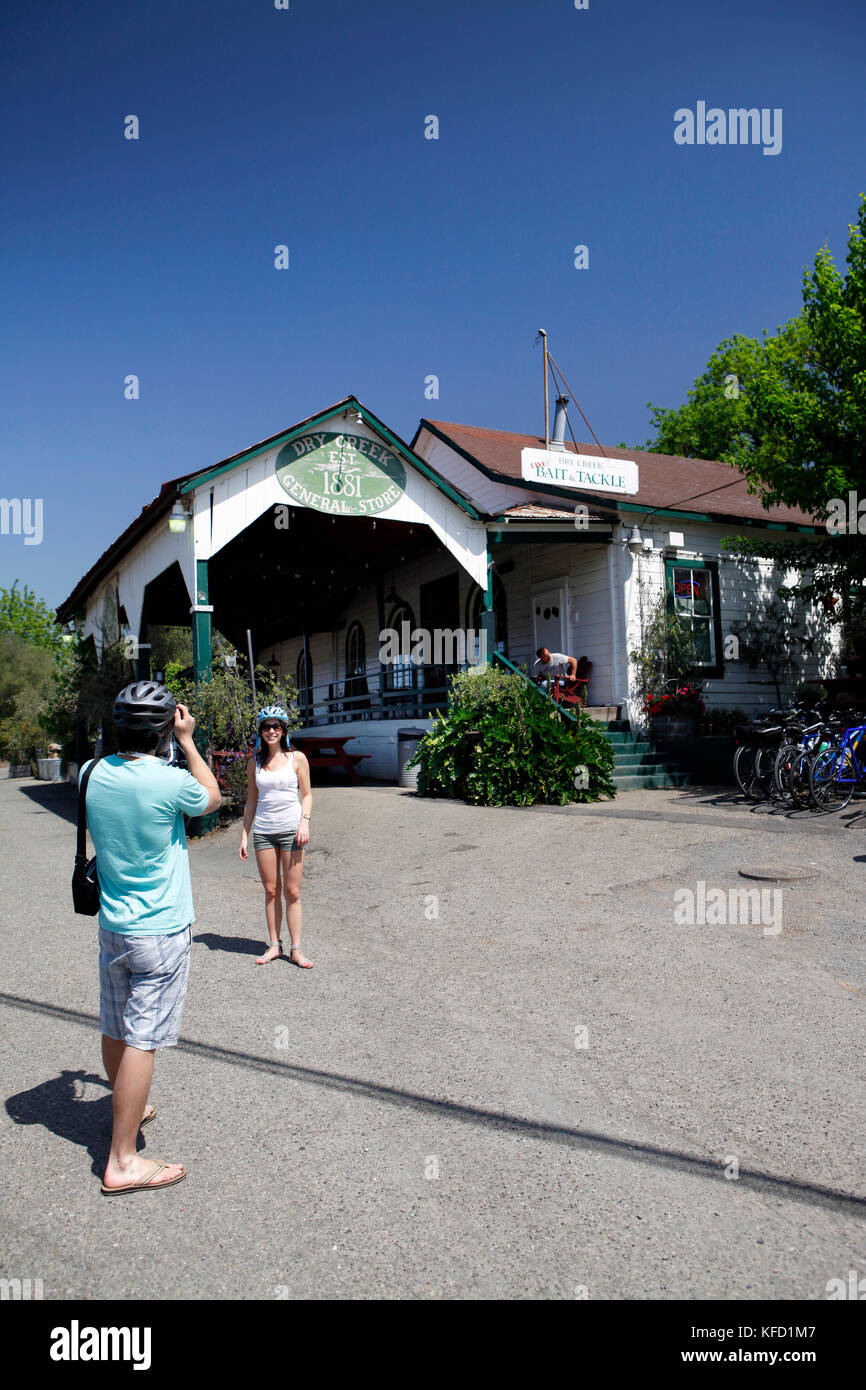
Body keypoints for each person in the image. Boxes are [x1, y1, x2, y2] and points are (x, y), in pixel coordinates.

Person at [82, 682, 221, 1195]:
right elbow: (211, 799)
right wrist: (188, 741)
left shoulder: (89, 774)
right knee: (143, 1038)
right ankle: (122, 1159)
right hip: (160, 927)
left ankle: (126, 1106)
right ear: (164, 729)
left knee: (115, 1023)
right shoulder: (168, 780)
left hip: (113, 924)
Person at [239, 705, 314, 968]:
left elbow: (306, 795)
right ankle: (274, 945)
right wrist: (244, 836)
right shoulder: (254, 763)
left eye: (276, 727)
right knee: (271, 890)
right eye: (266, 727)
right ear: (260, 732)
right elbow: (251, 801)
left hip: (292, 831)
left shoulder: (298, 758)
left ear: (284, 731)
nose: (271, 731)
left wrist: (304, 822)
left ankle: (296, 949)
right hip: (264, 832)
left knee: (292, 891)